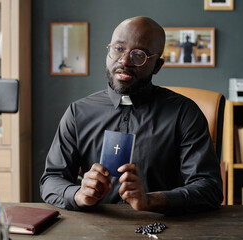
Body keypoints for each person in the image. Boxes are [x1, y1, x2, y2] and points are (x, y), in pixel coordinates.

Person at [40, 16, 223, 215]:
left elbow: (209, 188)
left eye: (140, 55)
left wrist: (151, 200)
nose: (125, 61)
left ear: (157, 66)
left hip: (164, 227)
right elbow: (50, 181)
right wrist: (79, 195)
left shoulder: (184, 113)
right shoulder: (78, 113)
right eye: (118, 49)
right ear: (108, 51)